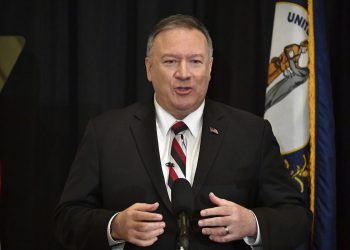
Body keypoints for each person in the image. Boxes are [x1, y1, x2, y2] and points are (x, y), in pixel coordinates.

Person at [55, 14, 311, 250]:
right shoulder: (106, 134)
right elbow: (67, 220)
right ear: (148, 68)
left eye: (195, 61)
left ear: (210, 68)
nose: (184, 74)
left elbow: (297, 218)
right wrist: (115, 226)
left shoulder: (252, 134)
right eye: (170, 61)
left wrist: (252, 223)